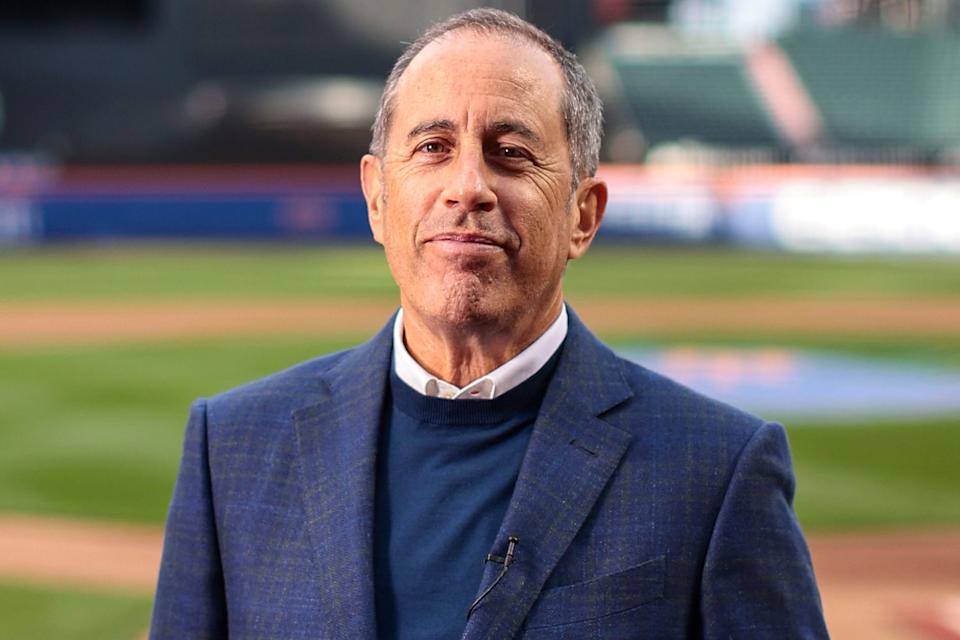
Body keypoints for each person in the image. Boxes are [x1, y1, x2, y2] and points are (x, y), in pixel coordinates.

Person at [151, 8, 828, 639]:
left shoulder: (718, 469)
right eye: (433, 147)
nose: (467, 187)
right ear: (377, 198)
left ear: (583, 214)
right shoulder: (230, 449)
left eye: (510, 152)